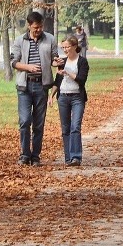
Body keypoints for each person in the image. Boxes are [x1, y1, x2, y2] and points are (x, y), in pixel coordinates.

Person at [10, 11, 58, 166]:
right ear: (29, 25)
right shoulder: (19, 41)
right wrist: (28, 67)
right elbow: (13, 62)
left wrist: (57, 62)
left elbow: (53, 59)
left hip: (42, 86)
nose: (39, 30)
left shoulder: (49, 39)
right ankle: (25, 154)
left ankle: (35, 156)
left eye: (41, 27)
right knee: (25, 121)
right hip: (25, 86)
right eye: (36, 27)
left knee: (38, 123)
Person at [51, 36, 89, 166]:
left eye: (67, 47)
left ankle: (76, 157)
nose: (65, 50)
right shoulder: (62, 61)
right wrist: (51, 96)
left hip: (77, 97)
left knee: (75, 127)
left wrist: (67, 72)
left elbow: (81, 79)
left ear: (74, 46)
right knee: (65, 129)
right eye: (63, 47)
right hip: (63, 97)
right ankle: (68, 158)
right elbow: (57, 81)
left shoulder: (82, 62)